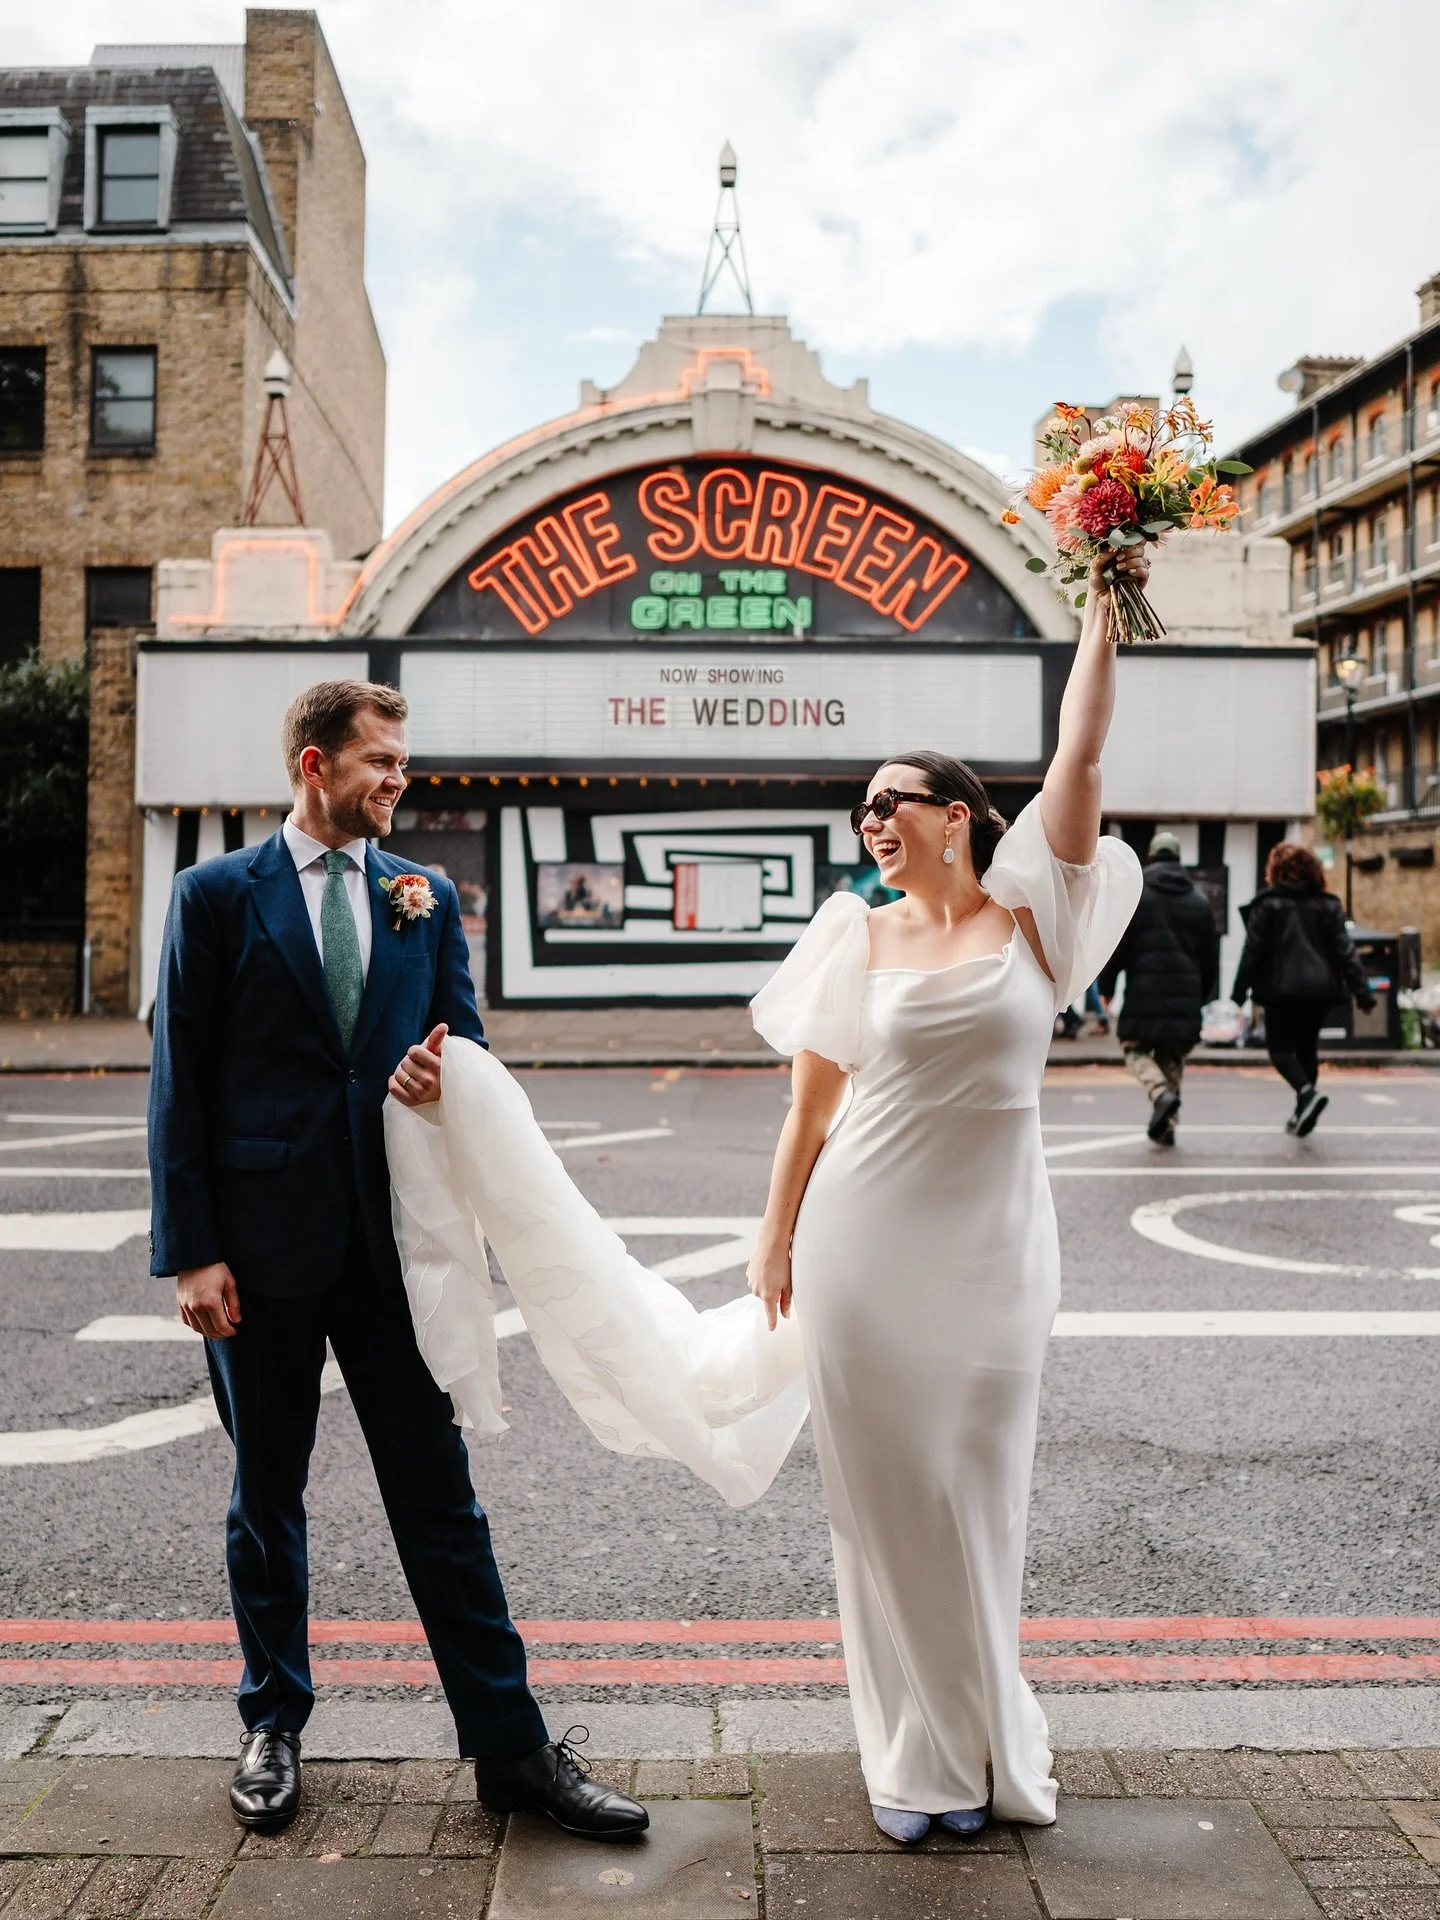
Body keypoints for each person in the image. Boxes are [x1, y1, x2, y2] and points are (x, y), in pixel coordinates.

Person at [148, 679, 648, 1843]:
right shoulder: (215, 896)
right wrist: (193, 1254)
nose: (398, 781)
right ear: (315, 766)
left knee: (441, 1499)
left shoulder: (423, 900)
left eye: (403, 762)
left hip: (392, 1254)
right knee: (266, 1500)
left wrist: (440, 1077)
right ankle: (272, 1727)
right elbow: (182, 1078)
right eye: (379, 761)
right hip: (259, 1257)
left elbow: (463, 1045)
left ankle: (511, 1749)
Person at [743, 552, 1145, 1841]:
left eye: (893, 801)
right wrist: (774, 1237)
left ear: (960, 814)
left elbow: (1078, 758)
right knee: (883, 1499)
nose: (872, 820)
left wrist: (1100, 608)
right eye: (861, 807)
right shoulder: (850, 934)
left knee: (975, 1487)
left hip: (993, 1254)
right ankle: (915, 1759)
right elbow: (809, 1110)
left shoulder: (1036, 915)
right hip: (860, 1241)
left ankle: (981, 1739)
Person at [1231, 841, 1377, 1136]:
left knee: (1280, 1050)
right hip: (1320, 992)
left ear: (1276, 870)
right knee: (1307, 1049)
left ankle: (1306, 1094)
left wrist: (1238, 992)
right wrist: (1363, 993)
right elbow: (1345, 952)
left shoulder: (1267, 904)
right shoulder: (1329, 905)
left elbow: (1252, 952)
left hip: (1279, 991)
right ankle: (1302, 1112)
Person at [1100, 829, 1220, 1145]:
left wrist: (1107, 985)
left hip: (1144, 994)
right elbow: (1211, 958)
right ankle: (1168, 1126)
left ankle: (1159, 1093)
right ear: (1179, 860)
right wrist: (1204, 995)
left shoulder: (1137, 896)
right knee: (1172, 1058)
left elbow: (1117, 947)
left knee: (1133, 1045)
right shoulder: (1199, 901)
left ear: (1151, 858)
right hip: (1186, 998)